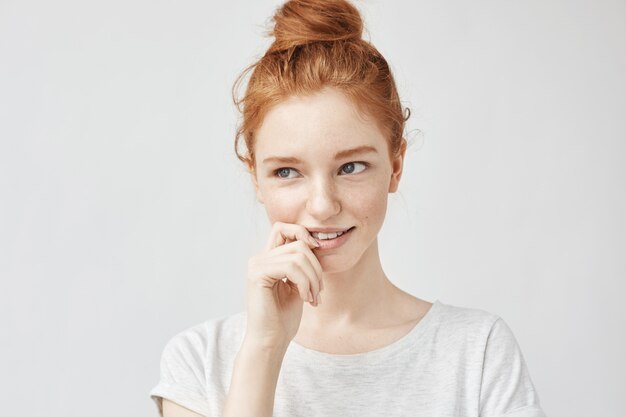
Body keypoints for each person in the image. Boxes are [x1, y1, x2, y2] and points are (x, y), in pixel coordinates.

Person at [149, 1, 547, 416]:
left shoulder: (477, 353)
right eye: (287, 172)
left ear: (395, 167)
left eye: (351, 167)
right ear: (256, 180)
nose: (322, 206)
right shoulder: (199, 363)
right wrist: (265, 349)